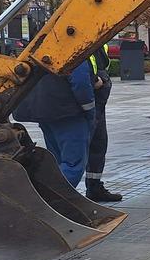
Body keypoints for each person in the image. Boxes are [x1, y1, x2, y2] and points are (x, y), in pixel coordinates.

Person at [13, 59, 96, 188]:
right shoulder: (74, 52)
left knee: (57, 162)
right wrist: (90, 110)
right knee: (73, 164)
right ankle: (54, 199)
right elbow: (80, 83)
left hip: (45, 113)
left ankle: (50, 197)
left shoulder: (41, 50)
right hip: (68, 114)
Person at [85, 45, 122, 202]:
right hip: (87, 102)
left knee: (98, 144)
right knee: (74, 154)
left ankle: (94, 186)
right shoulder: (82, 37)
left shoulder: (99, 43)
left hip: (96, 101)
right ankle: (63, 197)